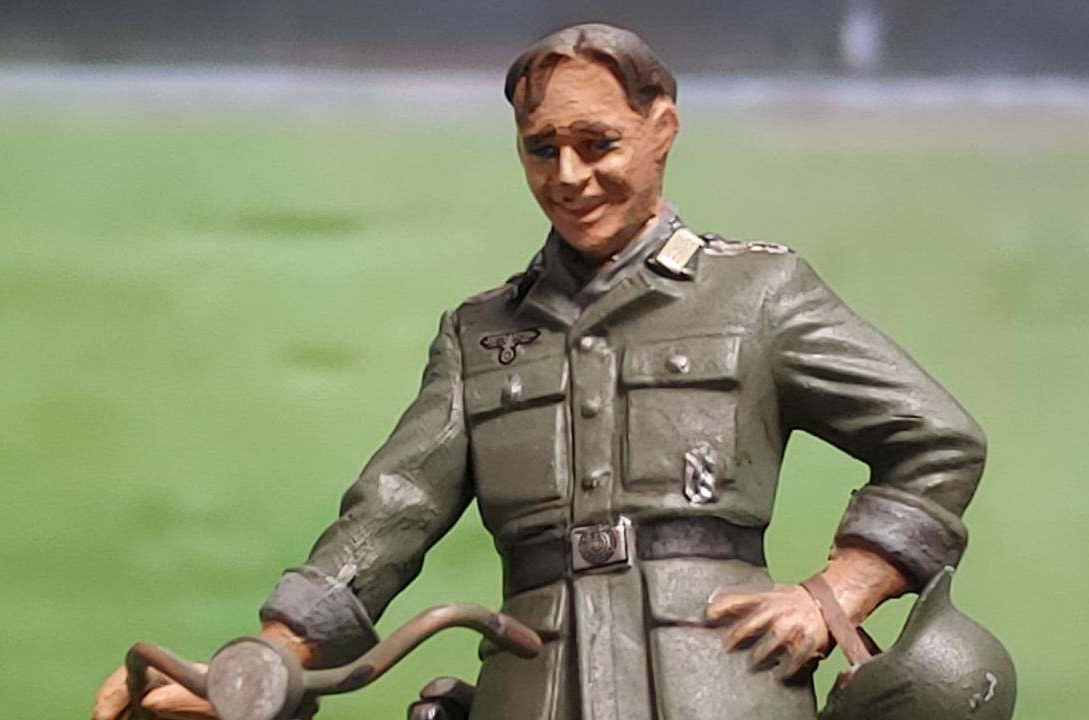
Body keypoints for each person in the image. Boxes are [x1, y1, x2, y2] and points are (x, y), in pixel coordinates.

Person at [93, 23, 986, 720]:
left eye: (598, 143)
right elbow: (391, 511)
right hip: (535, 686)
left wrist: (837, 594)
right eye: (541, 147)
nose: (569, 176)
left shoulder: (758, 294)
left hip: (722, 684)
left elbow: (936, 441)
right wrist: (267, 660)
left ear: (662, 130)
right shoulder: (479, 335)